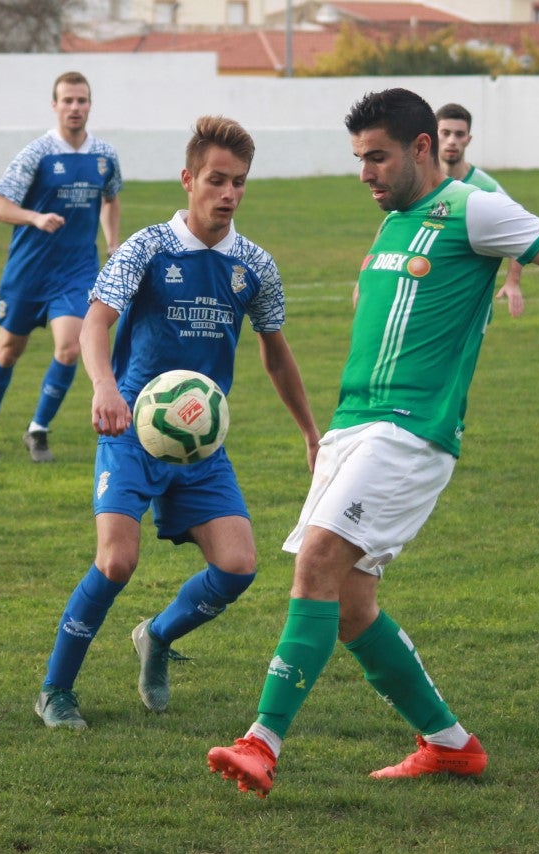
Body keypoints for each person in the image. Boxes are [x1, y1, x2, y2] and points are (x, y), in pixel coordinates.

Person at [207, 88, 539, 798]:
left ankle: (262, 743)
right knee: (348, 605)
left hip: (408, 432)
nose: (366, 172)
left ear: (424, 147)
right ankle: (450, 744)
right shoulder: (395, 221)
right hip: (356, 426)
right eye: (359, 159)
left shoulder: (476, 208)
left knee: (315, 562)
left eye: (378, 157)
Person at [33, 116, 320, 731]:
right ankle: (56, 690)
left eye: (239, 183)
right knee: (116, 562)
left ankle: (156, 637)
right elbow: (96, 322)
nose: (229, 194)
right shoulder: (144, 248)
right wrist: (105, 388)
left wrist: (310, 432)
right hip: (131, 430)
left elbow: (276, 353)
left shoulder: (255, 266)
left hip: (200, 443)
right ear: (188, 179)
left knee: (238, 567)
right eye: (217, 180)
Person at [0, 71, 122, 461]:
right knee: (7, 351)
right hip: (29, 269)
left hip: (76, 270)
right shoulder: (35, 153)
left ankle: (38, 430)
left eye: (82, 100)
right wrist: (35, 218)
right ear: (54, 105)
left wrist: (112, 241)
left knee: (70, 348)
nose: (75, 108)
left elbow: (110, 198)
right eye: (68, 101)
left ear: (90, 104)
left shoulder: (104, 156)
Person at [435, 102, 524, 317]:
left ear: (468, 139)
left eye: (459, 134)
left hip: (469, 306)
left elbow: (522, 232)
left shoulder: (488, 188)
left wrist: (512, 281)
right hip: (429, 297)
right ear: (433, 135)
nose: (452, 141)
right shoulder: (421, 183)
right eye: (445, 133)